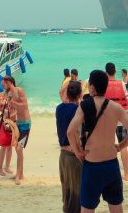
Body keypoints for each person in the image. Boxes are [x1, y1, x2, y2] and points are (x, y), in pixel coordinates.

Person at [66, 69, 128, 213]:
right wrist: (120, 146)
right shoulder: (116, 107)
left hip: (92, 166)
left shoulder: (84, 106)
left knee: (87, 208)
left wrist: (78, 152)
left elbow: (70, 132)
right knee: (116, 207)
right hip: (111, 165)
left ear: (92, 87)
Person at [56, 80, 83, 213]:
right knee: (76, 196)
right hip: (73, 155)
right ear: (80, 94)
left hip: (63, 156)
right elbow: (75, 133)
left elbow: (61, 93)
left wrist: (70, 83)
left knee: (67, 195)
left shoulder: (59, 108)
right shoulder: (78, 109)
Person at [102, 63, 128, 179]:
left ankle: (107, 173)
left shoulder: (103, 86)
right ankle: (126, 173)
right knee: (123, 145)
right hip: (120, 119)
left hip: (107, 120)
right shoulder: (122, 84)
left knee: (106, 145)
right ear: (115, 71)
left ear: (106, 72)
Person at [2, 76, 31, 184]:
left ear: (9, 83)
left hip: (26, 124)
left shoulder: (19, 91)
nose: (3, 86)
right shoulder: (9, 94)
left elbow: (25, 105)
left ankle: (19, 175)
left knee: (19, 149)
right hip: (17, 123)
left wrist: (14, 103)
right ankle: (20, 174)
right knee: (17, 149)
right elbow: (12, 110)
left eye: (4, 84)